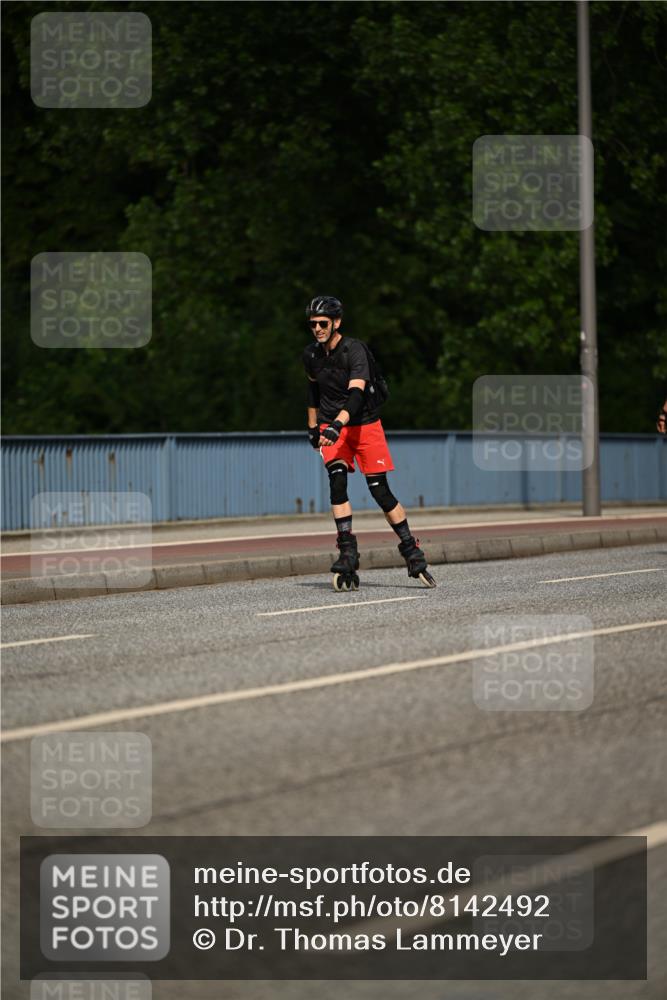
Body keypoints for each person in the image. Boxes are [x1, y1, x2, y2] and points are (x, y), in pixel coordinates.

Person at [302, 294, 436, 591]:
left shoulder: (354, 351)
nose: (317, 329)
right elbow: (312, 392)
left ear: (336, 323)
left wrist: (338, 424)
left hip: (363, 425)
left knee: (380, 491)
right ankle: (347, 552)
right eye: (312, 324)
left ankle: (411, 549)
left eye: (322, 323)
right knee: (337, 481)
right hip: (331, 426)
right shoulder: (311, 355)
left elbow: (356, 394)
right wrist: (313, 427)